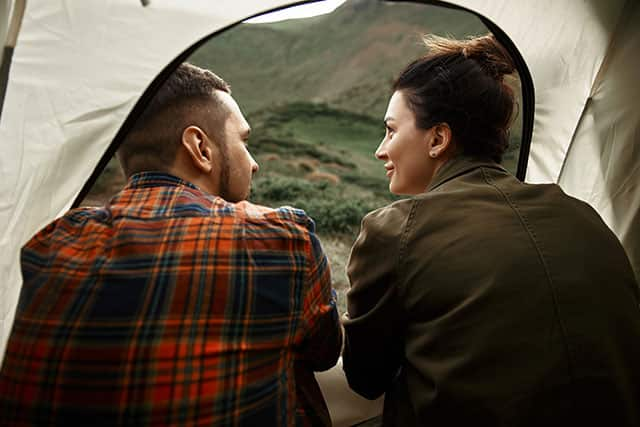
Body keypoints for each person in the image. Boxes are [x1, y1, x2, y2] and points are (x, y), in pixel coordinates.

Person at [0, 63, 342, 426]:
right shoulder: (280, 240)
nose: (253, 163)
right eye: (243, 141)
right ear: (200, 148)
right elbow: (324, 353)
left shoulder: (45, 245)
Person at [342, 34, 640, 426]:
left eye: (391, 131)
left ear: (438, 139)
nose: (382, 149)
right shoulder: (582, 215)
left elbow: (365, 377)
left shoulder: (395, 230)